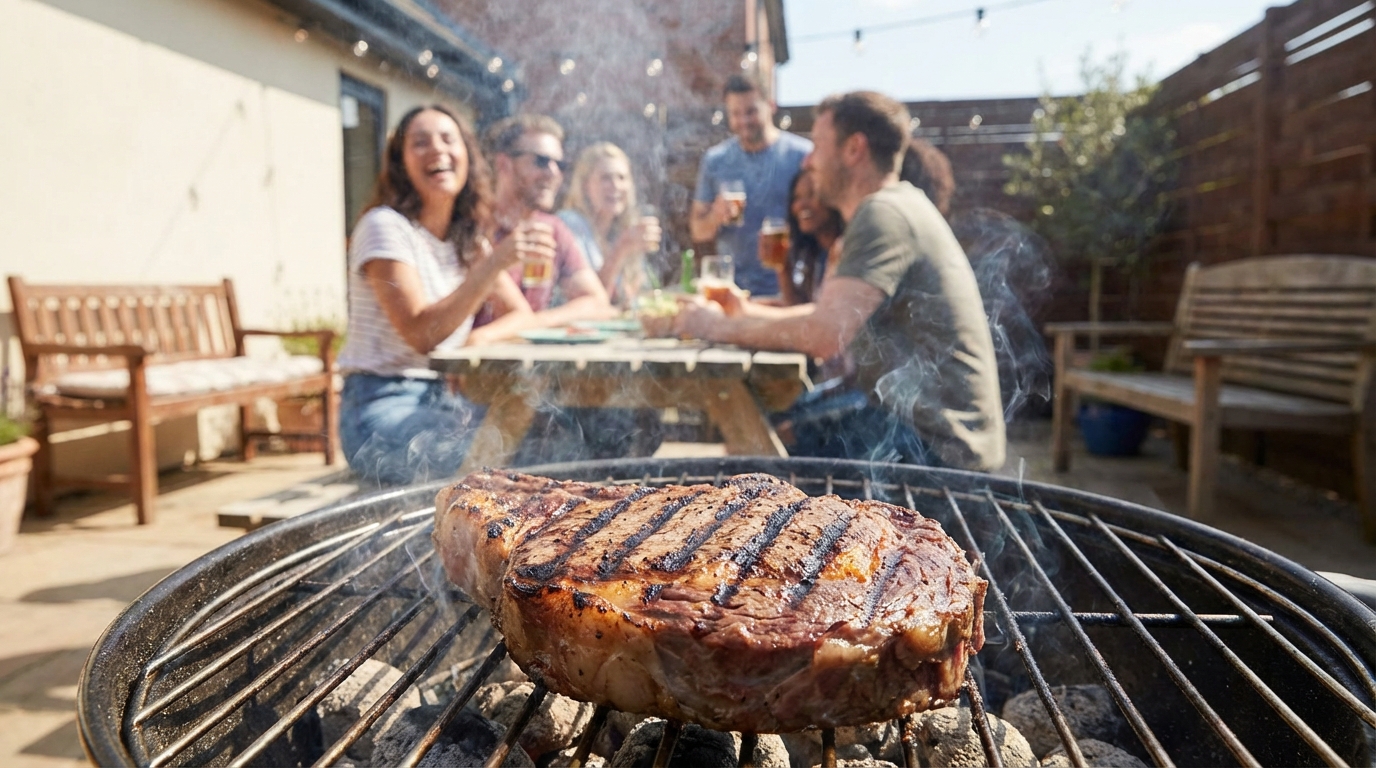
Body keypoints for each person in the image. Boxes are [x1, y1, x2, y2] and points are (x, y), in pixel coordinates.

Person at [674, 91, 1005, 471]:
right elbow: (828, 315)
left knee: (761, 447)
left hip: (938, 447)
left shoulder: (884, 212)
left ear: (854, 149)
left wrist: (714, 326)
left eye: (817, 144)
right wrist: (743, 311)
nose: (809, 160)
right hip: (924, 426)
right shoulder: (897, 205)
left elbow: (825, 335)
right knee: (772, 429)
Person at [336, 105, 545, 486]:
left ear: (467, 156)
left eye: (448, 139)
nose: (437, 149)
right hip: (381, 403)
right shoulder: (385, 227)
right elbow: (422, 334)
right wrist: (493, 263)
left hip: (442, 401)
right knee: (488, 458)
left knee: (541, 438)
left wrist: (477, 337)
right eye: (420, 142)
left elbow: (522, 316)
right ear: (401, 163)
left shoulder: (465, 241)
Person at [468, 114, 614, 344]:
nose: (554, 173)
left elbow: (597, 302)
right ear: (503, 164)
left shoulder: (552, 228)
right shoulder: (474, 224)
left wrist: (536, 322)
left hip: (523, 367)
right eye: (541, 161)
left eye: (560, 165)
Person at [690, 75, 812, 298]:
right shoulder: (715, 160)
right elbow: (698, 232)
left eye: (751, 111)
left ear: (771, 106)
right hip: (732, 291)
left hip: (789, 292)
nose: (744, 120)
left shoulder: (802, 156)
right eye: (735, 114)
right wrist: (715, 216)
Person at [558, 142, 662, 308]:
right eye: (606, 178)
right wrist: (621, 249)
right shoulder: (569, 224)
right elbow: (588, 299)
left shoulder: (623, 228)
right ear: (585, 185)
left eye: (622, 177)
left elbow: (637, 297)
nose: (615, 186)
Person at [779, 168, 844, 306]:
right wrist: (782, 266)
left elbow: (824, 317)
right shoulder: (812, 254)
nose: (801, 205)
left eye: (811, 195)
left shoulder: (845, 248)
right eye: (796, 198)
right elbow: (797, 308)